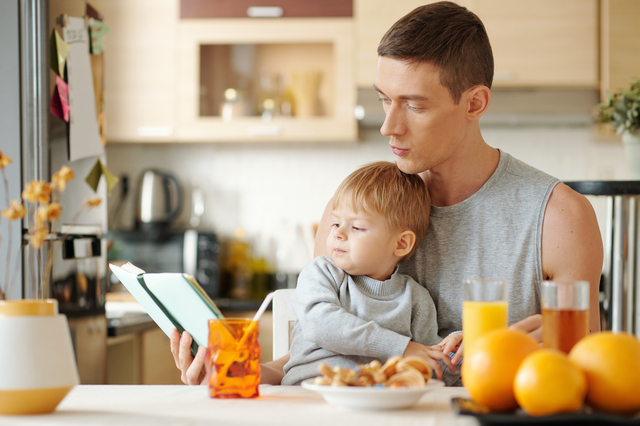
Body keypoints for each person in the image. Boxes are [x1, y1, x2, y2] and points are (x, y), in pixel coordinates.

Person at [170, 1, 603, 386]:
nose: (388, 127)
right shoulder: (351, 215)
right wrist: (234, 372)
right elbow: (307, 362)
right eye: (384, 100)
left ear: (474, 104)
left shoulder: (558, 217)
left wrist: (516, 346)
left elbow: (586, 364)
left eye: (414, 105)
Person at [282, 161, 461, 386]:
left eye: (356, 227)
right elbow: (320, 323)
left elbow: (431, 367)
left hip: (377, 402)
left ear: (401, 243)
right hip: (306, 393)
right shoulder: (322, 273)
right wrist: (401, 347)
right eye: (335, 223)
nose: (338, 234)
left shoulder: (416, 299)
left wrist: (454, 350)